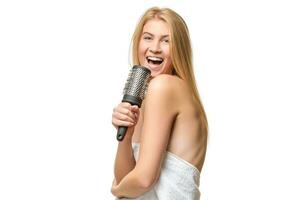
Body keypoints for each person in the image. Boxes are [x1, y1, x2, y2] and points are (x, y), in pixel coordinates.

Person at [111, 7, 208, 200]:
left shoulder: (163, 87)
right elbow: (125, 179)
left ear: (179, 49)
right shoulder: (147, 97)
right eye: (148, 37)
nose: (155, 47)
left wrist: (116, 190)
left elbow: (142, 181)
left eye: (166, 41)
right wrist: (126, 136)